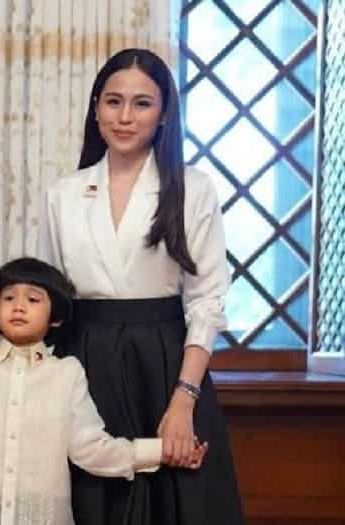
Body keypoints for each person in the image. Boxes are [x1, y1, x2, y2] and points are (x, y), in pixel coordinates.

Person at [38, 48, 244, 524]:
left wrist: (183, 400)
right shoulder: (64, 194)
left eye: (142, 103)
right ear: (95, 109)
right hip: (83, 364)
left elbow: (207, 301)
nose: (125, 117)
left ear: (165, 113)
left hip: (166, 364)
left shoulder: (193, 189)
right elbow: (51, 300)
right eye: (113, 102)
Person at [0, 258, 206, 525]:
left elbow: (89, 448)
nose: (19, 307)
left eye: (33, 299)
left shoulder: (67, 374)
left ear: (56, 317)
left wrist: (162, 451)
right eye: (9, 298)